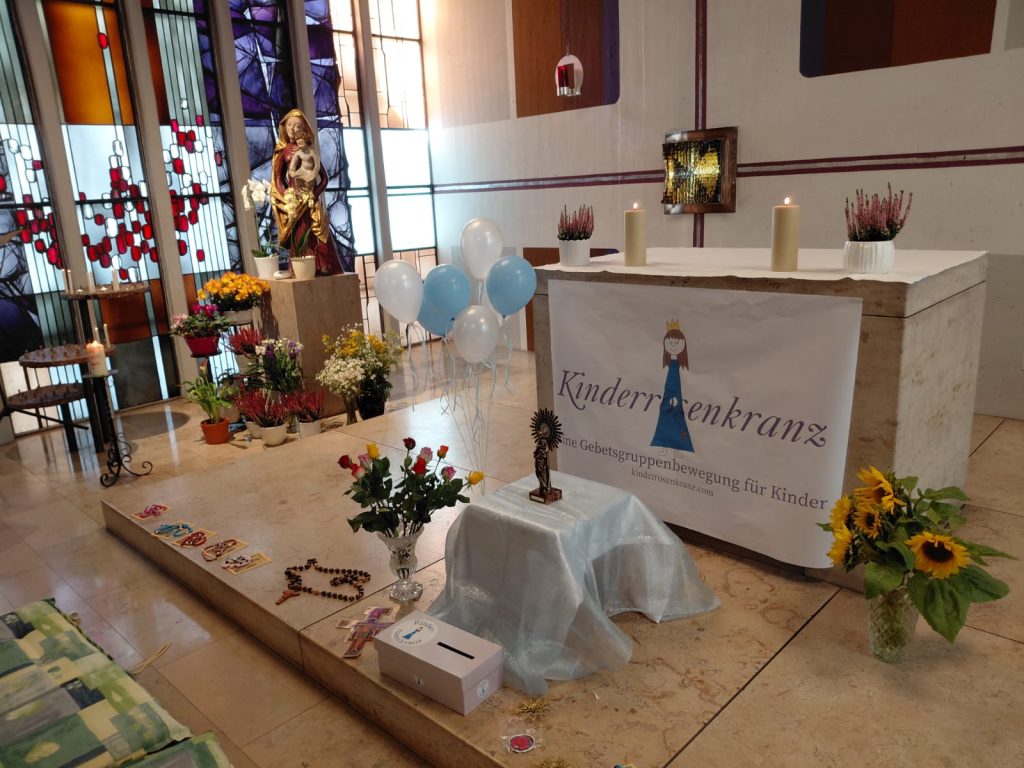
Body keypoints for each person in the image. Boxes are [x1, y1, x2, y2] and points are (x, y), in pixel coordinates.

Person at [270, 109, 343, 276]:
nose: (292, 129)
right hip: (295, 201)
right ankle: (303, 269)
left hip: (310, 199)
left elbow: (324, 178)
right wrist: (287, 197)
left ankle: (324, 264)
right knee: (300, 232)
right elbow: (278, 179)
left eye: (297, 126)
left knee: (318, 230)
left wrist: (314, 193)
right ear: (284, 127)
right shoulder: (283, 152)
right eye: (289, 125)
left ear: (304, 130)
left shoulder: (310, 152)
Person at [650, 321, 695, 452]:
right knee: (666, 419)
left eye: (677, 342)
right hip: (669, 400)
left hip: (675, 400)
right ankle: (664, 447)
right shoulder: (671, 366)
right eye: (670, 342)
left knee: (675, 418)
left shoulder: (676, 367)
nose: (673, 345)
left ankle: (677, 448)